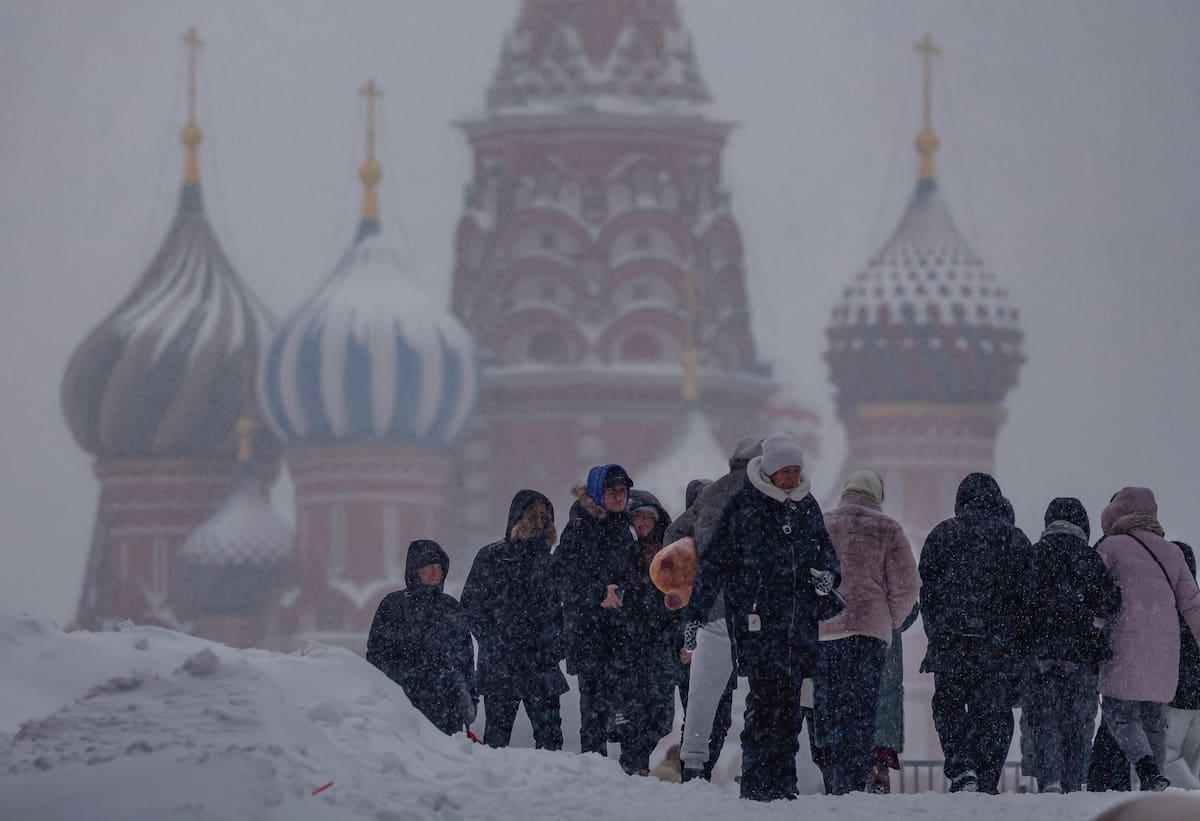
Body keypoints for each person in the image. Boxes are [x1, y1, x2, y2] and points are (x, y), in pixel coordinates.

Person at [686, 432, 841, 801]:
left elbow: (826, 554)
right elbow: (715, 563)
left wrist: (828, 577)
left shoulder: (806, 507)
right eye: (785, 471)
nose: (791, 478)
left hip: (798, 622)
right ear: (769, 472)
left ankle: (783, 783)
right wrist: (696, 614)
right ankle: (757, 781)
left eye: (795, 470)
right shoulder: (744, 507)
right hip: (757, 621)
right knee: (763, 700)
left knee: (789, 707)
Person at [919, 472, 1033, 794]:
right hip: (998, 648)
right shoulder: (1015, 539)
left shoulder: (942, 535)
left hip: (951, 644)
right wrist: (1015, 642)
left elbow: (926, 592)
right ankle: (986, 777)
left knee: (949, 706)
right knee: (993, 713)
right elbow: (1026, 599)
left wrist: (938, 632)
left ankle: (962, 769)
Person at [665, 437, 765, 782]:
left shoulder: (713, 494)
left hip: (715, 606)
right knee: (768, 690)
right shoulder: (770, 495)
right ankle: (760, 763)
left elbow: (674, 537)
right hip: (761, 609)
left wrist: (690, 583)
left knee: (703, 694)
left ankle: (693, 764)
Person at [815, 470, 920, 794]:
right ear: (877, 496)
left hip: (829, 631)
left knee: (831, 707)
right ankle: (855, 777)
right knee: (861, 709)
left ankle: (835, 777)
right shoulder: (888, 528)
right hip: (869, 633)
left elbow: (808, 576)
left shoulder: (824, 524)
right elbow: (907, 585)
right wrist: (891, 621)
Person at [1094, 487, 1200, 792]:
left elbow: (1095, 594)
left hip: (1125, 638)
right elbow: (1192, 605)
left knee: (1118, 710)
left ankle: (1147, 768)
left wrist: (1093, 628)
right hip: (1166, 647)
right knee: (1153, 715)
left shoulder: (1111, 547)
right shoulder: (1172, 552)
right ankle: (1157, 779)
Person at [1019, 497, 1121, 793]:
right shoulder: (1090, 558)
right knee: (1078, 722)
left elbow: (1017, 605)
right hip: (1081, 654)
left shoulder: (1033, 555)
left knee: (1043, 720)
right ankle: (1074, 782)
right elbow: (1108, 602)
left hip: (1041, 654)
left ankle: (1050, 779)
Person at [461, 489, 567, 750]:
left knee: (551, 741)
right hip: (502, 664)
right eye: (533, 516)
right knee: (497, 741)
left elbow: (567, 612)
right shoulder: (492, 556)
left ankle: (553, 787)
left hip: (541, 663)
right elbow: (471, 607)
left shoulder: (553, 563)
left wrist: (555, 645)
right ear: (518, 518)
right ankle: (496, 789)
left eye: (545, 517)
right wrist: (495, 641)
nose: (540, 523)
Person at [554, 464, 640, 758]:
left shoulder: (624, 527)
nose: (618, 497)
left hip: (620, 629)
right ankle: (594, 765)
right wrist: (599, 594)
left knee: (626, 704)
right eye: (611, 491)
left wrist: (623, 591)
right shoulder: (580, 527)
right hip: (588, 629)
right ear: (597, 493)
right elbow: (563, 575)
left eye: (622, 491)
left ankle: (632, 769)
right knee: (593, 704)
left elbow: (633, 571)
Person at [366, 539, 475, 736]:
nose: (435, 572)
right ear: (415, 570)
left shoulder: (451, 607)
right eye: (429, 566)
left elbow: (465, 657)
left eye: (439, 567)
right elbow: (376, 655)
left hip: (447, 707)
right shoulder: (393, 605)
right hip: (405, 703)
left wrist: (469, 698)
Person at [612, 489, 681, 775]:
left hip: (661, 645)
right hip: (630, 646)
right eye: (636, 517)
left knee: (662, 716)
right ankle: (633, 766)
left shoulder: (672, 554)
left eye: (646, 517)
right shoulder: (623, 553)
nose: (640, 523)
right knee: (632, 715)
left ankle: (635, 763)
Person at [1163, 541, 1200, 789]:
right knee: (1195, 759)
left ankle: (1189, 799)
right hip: (1198, 696)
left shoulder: (1166, 606)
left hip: (1174, 696)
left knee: (1165, 756)